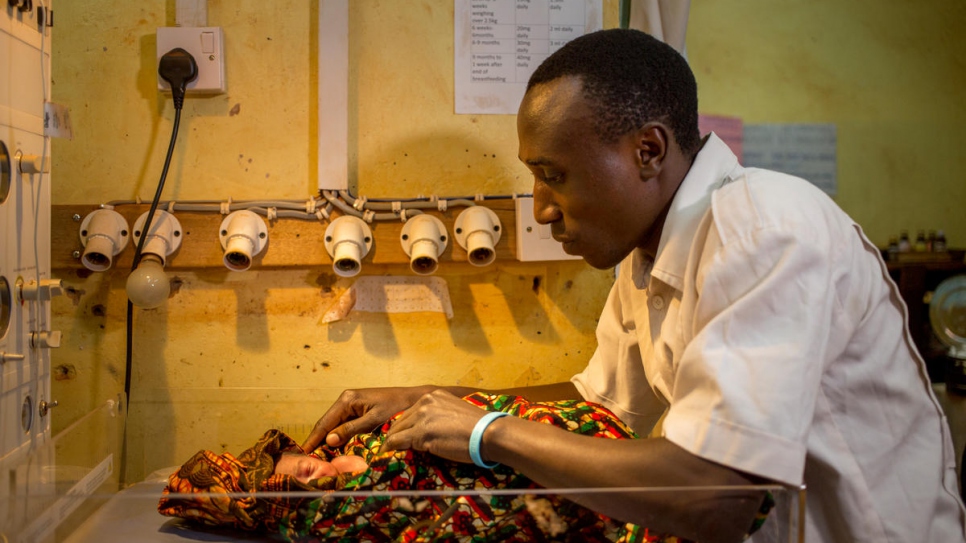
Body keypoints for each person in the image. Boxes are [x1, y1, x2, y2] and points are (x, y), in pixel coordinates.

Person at [302, 28, 966, 543]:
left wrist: (486, 431)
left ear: (648, 151)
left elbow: (715, 495)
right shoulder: (647, 250)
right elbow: (605, 406)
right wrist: (431, 396)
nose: (540, 209)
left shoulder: (764, 228)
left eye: (554, 175)